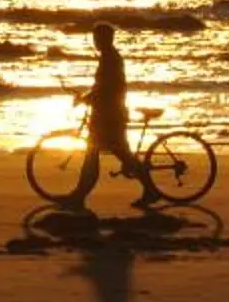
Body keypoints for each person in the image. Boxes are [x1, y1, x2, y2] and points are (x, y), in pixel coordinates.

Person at [68, 22, 164, 209]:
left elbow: (106, 89)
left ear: (105, 39)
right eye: (94, 38)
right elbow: (102, 87)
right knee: (101, 155)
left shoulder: (110, 59)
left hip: (110, 117)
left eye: (97, 38)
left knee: (110, 156)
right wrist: (87, 97)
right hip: (108, 115)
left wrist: (86, 99)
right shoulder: (109, 57)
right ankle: (79, 195)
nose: (95, 42)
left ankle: (79, 196)